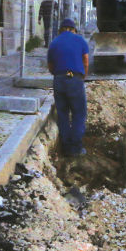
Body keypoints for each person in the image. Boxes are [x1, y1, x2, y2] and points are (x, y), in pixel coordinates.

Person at [46, 18, 89, 156]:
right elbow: (86, 60)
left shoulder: (54, 42)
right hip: (74, 78)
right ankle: (76, 148)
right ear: (74, 30)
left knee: (63, 114)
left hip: (59, 79)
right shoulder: (80, 40)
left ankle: (65, 147)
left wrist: (58, 75)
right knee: (78, 114)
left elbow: (50, 66)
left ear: (61, 30)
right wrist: (83, 76)